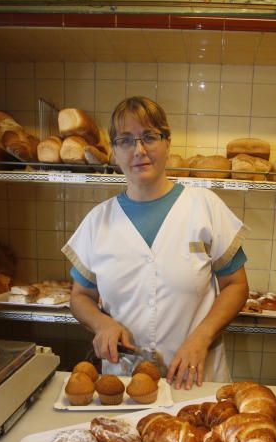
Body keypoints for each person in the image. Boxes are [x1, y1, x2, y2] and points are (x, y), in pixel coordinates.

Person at [62, 96, 249, 389]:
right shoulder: (98, 221)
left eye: (149, 137)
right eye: (125, 140)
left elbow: (236, 286)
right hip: (123, 382)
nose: (139, 150)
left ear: (167, 142)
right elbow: (80, 296)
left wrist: (202, 337)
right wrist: (102, 324)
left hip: (194, 377)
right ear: (113, 151)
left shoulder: (205, 207)